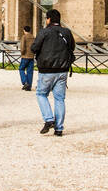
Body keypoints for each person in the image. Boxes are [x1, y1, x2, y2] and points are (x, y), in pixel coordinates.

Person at [32, 8, 76, 136]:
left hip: (46, 70)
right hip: (63, 70)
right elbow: (72, 47)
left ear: (49, 19)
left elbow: (34, 48)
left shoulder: (44, 32)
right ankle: (59, 129)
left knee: (41, 94)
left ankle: (49, 119)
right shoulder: (67, 32)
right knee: (60, 99)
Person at [18, 24, 35, 91]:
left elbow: (22, 47)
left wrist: (22, 53)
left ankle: (25, 82)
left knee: (21, 69)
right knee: (30, 71)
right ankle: (29, 86)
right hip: (31, 56)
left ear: (24, 30)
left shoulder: (24, 37)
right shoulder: (33, 37)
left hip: (25, 56)